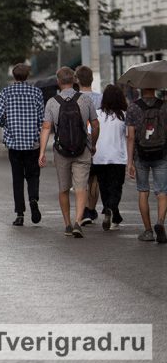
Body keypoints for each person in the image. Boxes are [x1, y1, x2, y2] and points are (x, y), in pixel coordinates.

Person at [38, 66, 99, 238]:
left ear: (58, 82)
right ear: (74, 80)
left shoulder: (52, 102)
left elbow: (46, 128)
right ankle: (78, 222)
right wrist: (93, 144)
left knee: (64, 188)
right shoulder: (85, 100)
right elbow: (95, 125)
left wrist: (42, 152)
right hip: (83, 149)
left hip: (61, 151)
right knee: (81, 188)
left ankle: (67, 224)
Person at [0, 63, 44, 226]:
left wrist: (7, 124)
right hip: (32, 144)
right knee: (33, 175)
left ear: (14, 76)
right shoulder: (36, 92)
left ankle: (20, 214)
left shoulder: (6, 92)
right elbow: (42, 118)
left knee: (17, 178)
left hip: (14, 144)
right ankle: (33, 199)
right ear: (27, 76)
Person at [125, 86, 167, 243]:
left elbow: (130, 137)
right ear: (155, 87)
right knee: (162, 191)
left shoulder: (133, 107)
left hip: (140, 154)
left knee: (143, 191)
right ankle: (160, 222)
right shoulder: (164, 106)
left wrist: (129, 162)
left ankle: (148, 231)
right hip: (162, 153)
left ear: (141, 87)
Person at [91, 84, 128, 231]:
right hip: (118, 157)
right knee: (116, 187)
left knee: (104, 186)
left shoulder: (97, 114)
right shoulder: (124, 115)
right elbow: (129, 136)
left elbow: (90, 133)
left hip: (99, 157)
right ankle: (112, 209)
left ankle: (109, 210)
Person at [75, 65, 104, 226]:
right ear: (92, 79)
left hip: (79, 142)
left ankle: (83, 210)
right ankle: (91, 209)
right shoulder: (101, 98)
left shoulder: (75, 98)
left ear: (77, 80)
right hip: (97, 141)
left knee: (81, 178)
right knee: (94, 178)